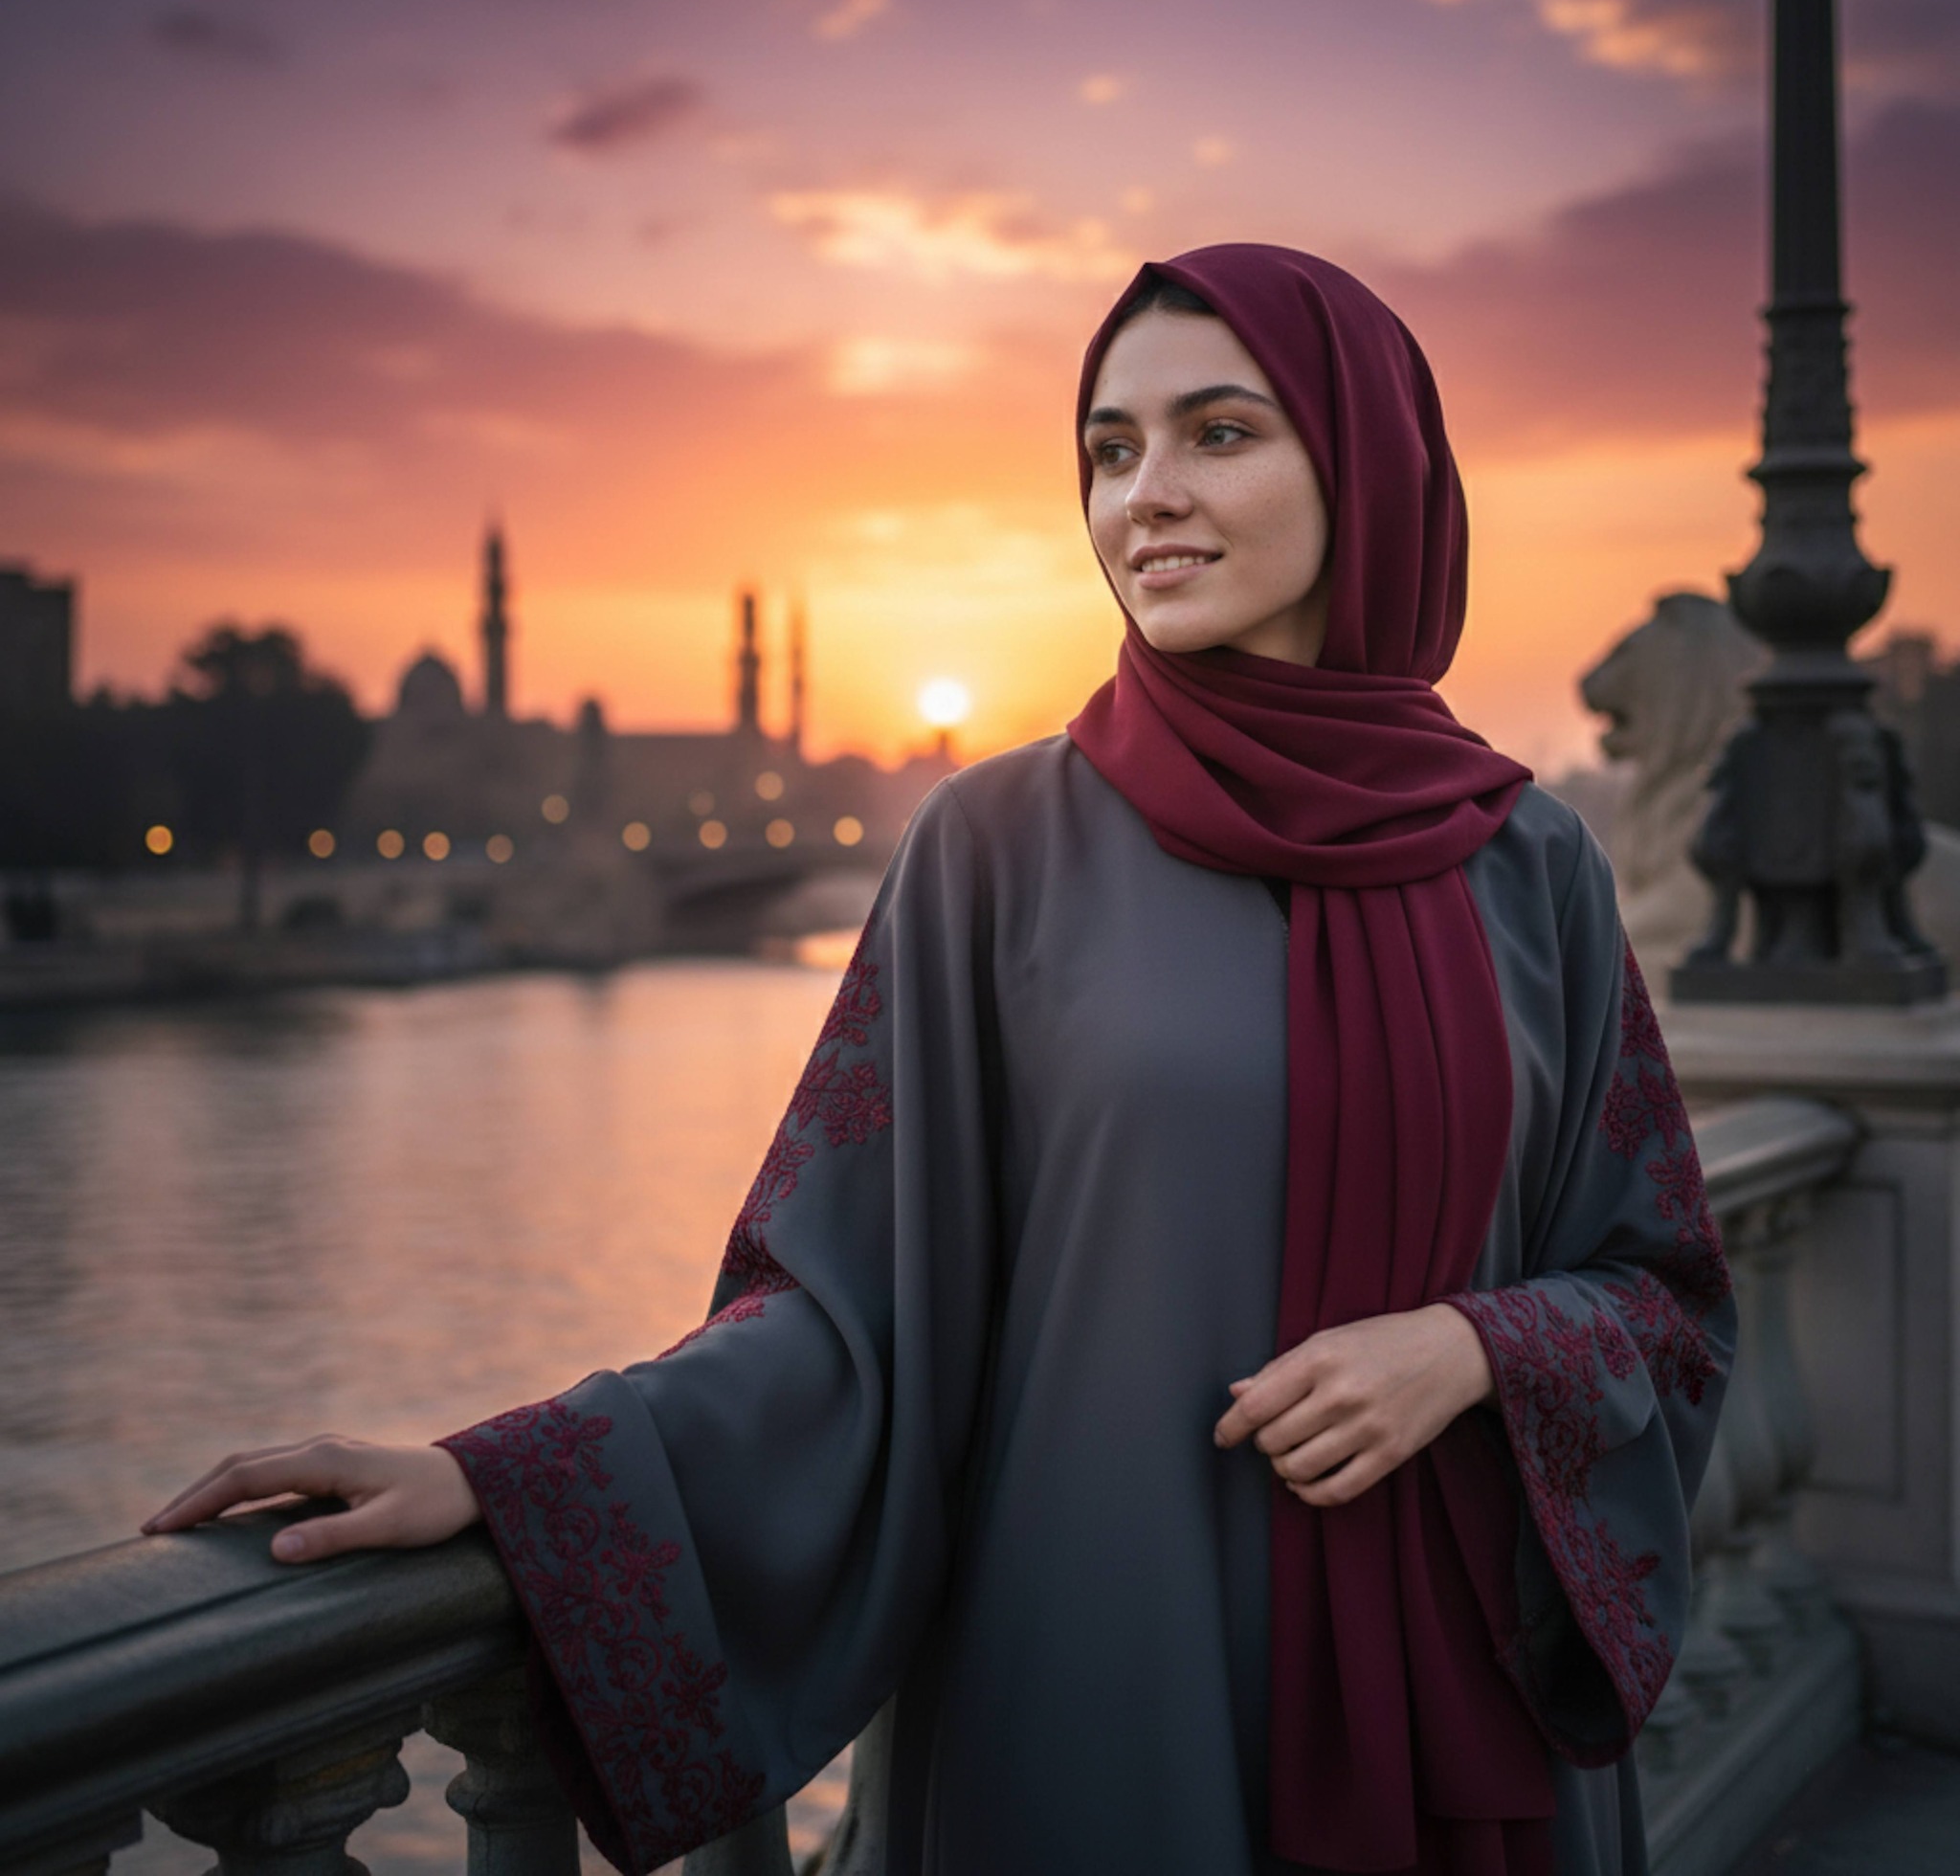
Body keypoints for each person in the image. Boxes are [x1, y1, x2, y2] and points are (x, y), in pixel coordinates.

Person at [146, 245, 1733, 1876]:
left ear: (1371, 462)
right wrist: (514, 1479)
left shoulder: (1528, 862)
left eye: (1220, 434)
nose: (1147, 499)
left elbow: (1662, 1289)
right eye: (1110, 452)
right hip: (1108, 1691)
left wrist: (1474, 1351)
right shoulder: (998, 847)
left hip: (1462, 1710)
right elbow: (844, 1307)